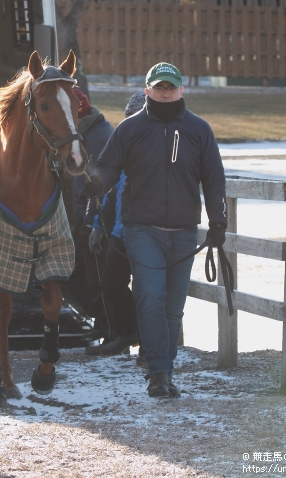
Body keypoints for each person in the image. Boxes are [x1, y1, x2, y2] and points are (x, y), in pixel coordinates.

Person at [92, 63, 227, 398]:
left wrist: (218, 221)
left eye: (170, 87)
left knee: (172, 307)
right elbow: (108, 167)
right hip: (142, 229)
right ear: (148, 90)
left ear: (181, 90)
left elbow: (213, 179)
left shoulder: (199, 130)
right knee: (151, 298)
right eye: (159, 87)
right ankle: (158, 373)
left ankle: (164, 368)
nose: (165, 93)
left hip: (184, 230)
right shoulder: (129, 129)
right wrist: (95, 182)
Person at [85, 91, 146, 357]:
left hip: (144, 231)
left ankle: (144, 340)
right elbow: (111, 195)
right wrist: (99, 226)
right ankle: (127, 332)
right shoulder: (123, 149)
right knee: (111, 282)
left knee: (148, 289)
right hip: (121, 233)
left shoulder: (154, 151)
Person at [60, 89, 114, 339]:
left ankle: (108, 327)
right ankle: (103, 324)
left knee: (96, 277)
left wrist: (93, 222)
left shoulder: (96, 138)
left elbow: (101, 183)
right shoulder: (91, 133)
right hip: (87, 215)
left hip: (95, 218)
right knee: (85, 275)